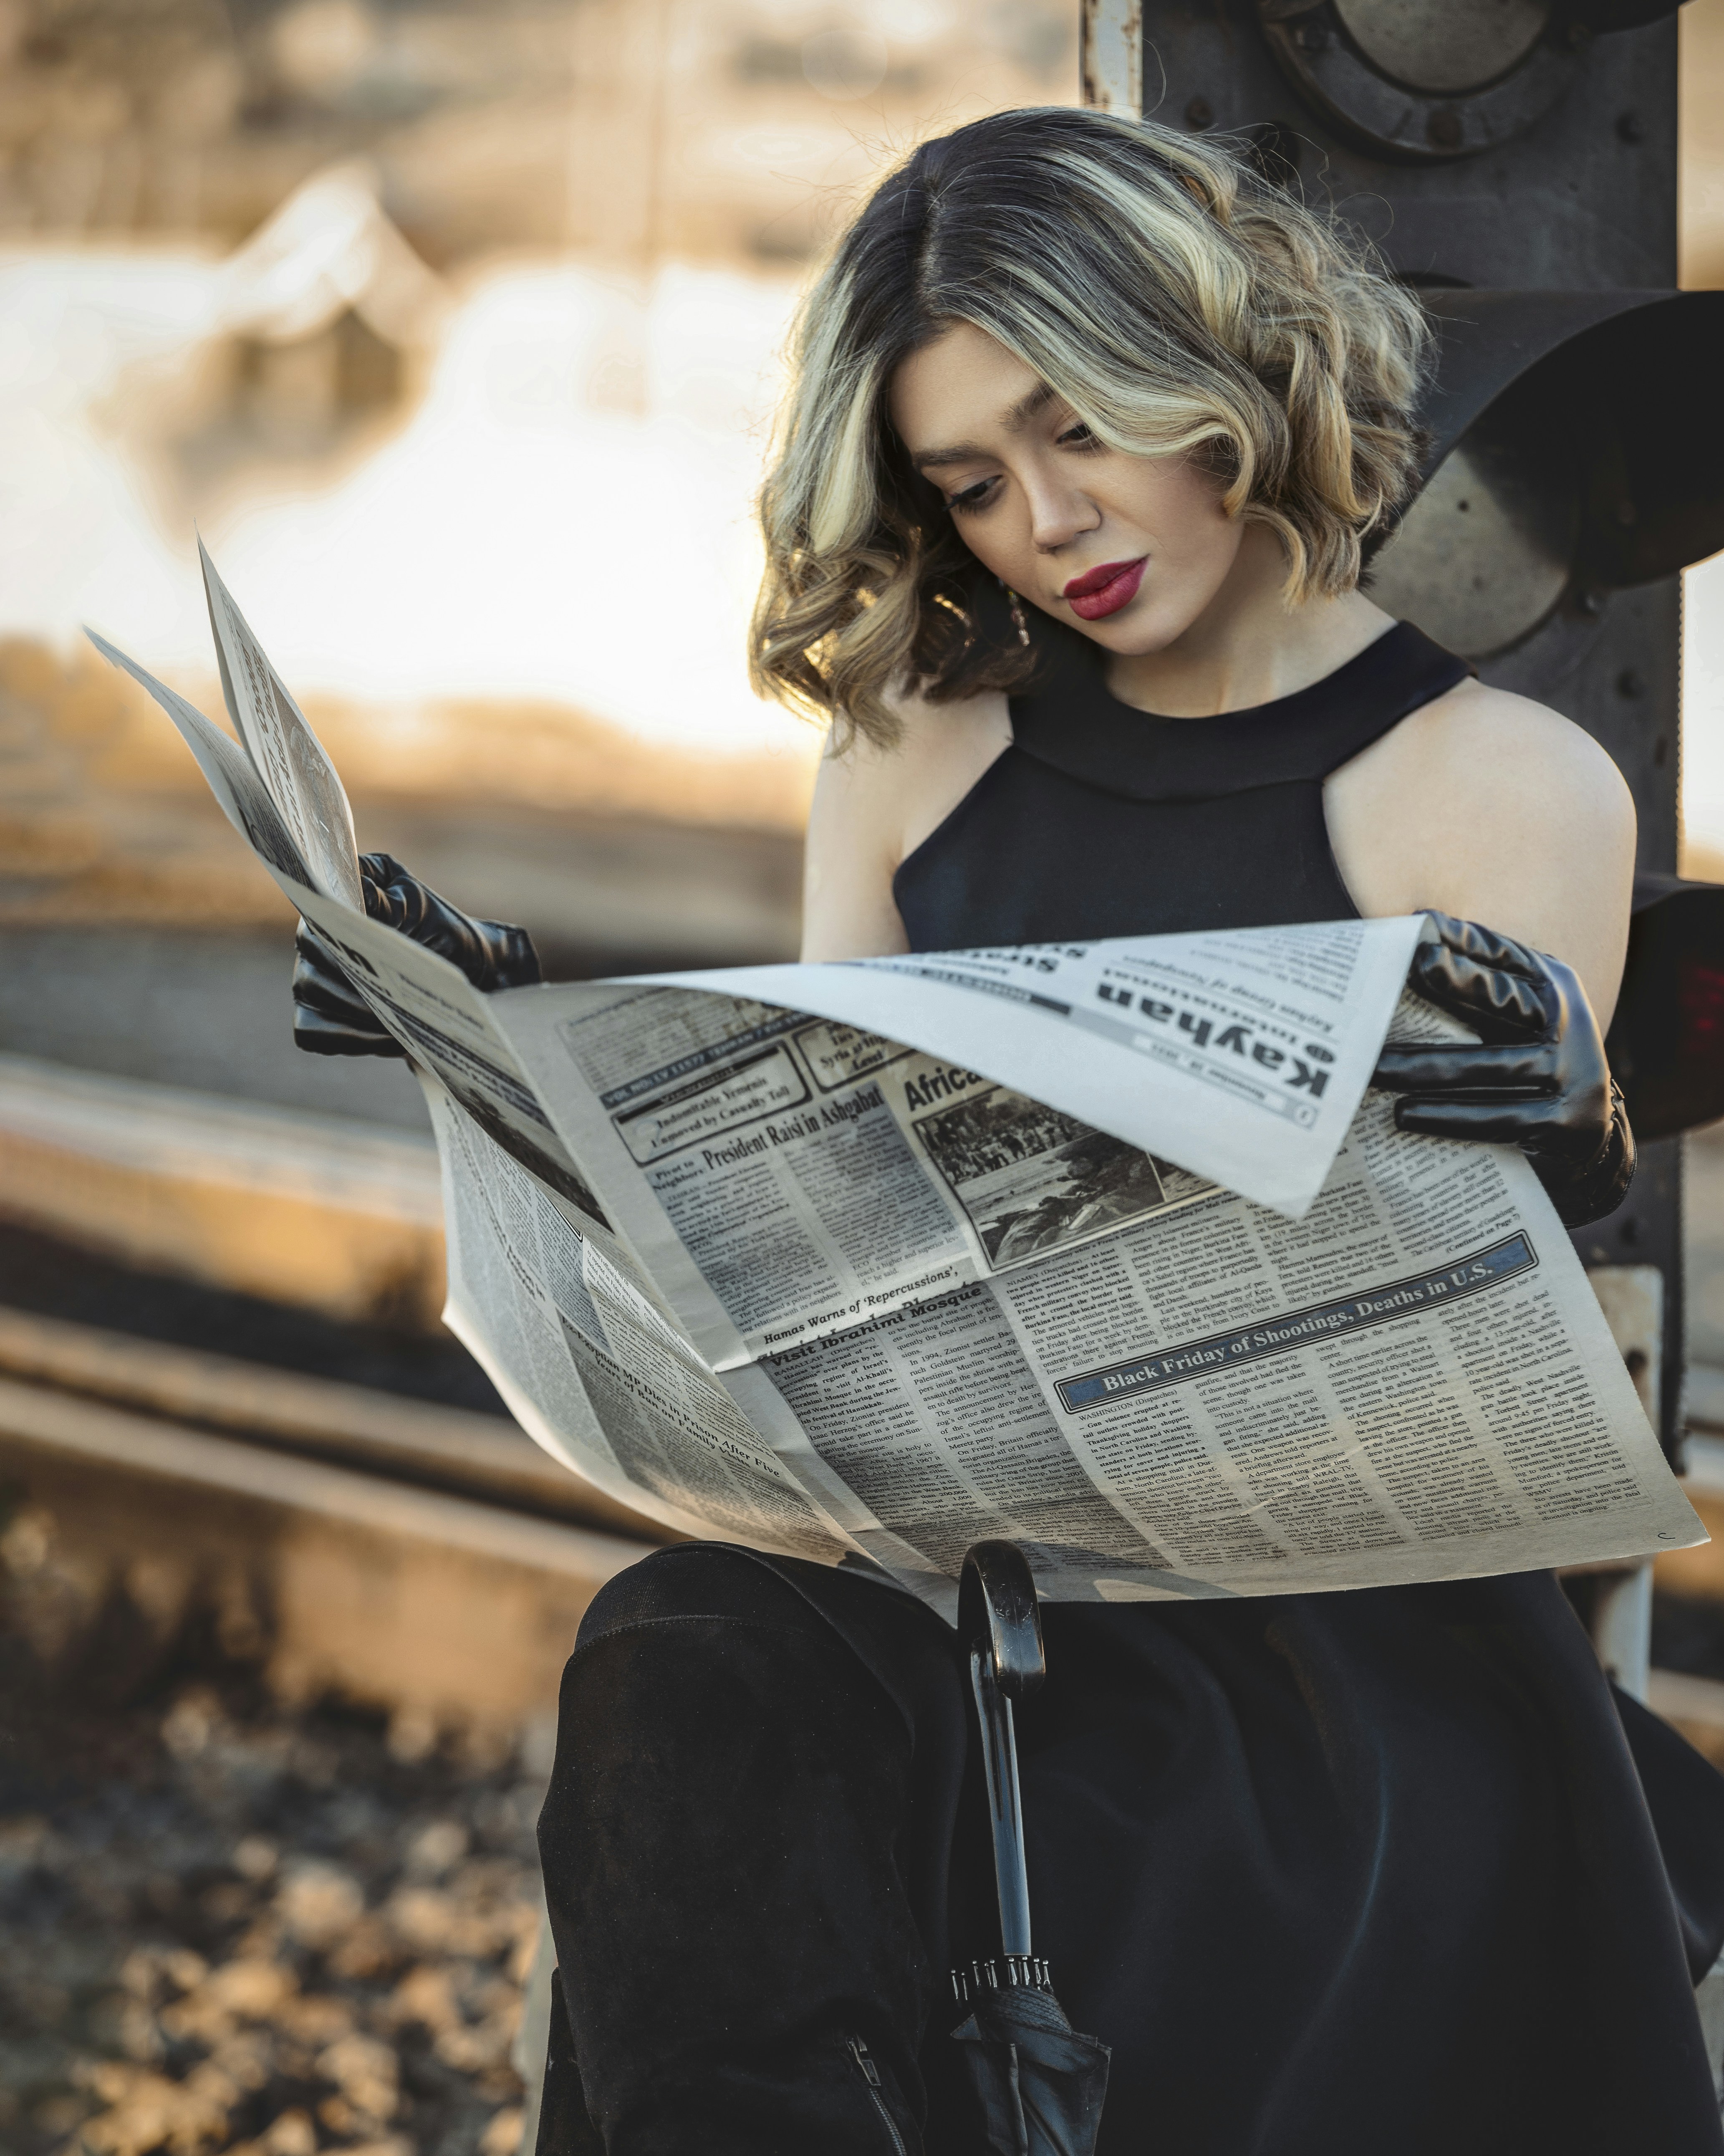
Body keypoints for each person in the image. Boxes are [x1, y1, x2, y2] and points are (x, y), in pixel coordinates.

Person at [297, 110, 1724, 2153]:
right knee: (681, 1645)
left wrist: (1568, 1134)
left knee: (952, 1813)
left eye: (1078, 426)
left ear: (1217, 372)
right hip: (987, 1604)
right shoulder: (906, 762)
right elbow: (818, 1259)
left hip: (1339, 1679)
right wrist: (524, 1063)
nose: (1045, 518)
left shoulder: (1492, 781)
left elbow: (1470, 1349)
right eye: (969, 480)